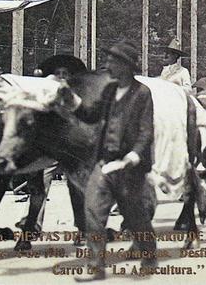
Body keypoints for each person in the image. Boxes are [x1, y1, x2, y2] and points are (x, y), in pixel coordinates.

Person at [75, 41, 157, 281]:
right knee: (92, 212)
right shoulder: (109, 91)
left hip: (128, 166)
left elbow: (146, 130)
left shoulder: (142, 93)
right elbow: (91, 116)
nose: (107, 64)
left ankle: (149, 257)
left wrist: (134, 156)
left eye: (112, 61)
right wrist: (72, 102)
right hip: (104, 161)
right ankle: (96, 267)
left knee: (134, 216)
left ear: (125, 66)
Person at [19, 54, 90, 245]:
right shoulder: (42, 95)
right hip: (46, 148)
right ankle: (32, 226)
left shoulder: (76, 97)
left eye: (65, 74)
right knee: (38, 187)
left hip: (69, 148)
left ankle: (83, 229)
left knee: (76, 188)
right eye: (57, 73)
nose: (60, 77)